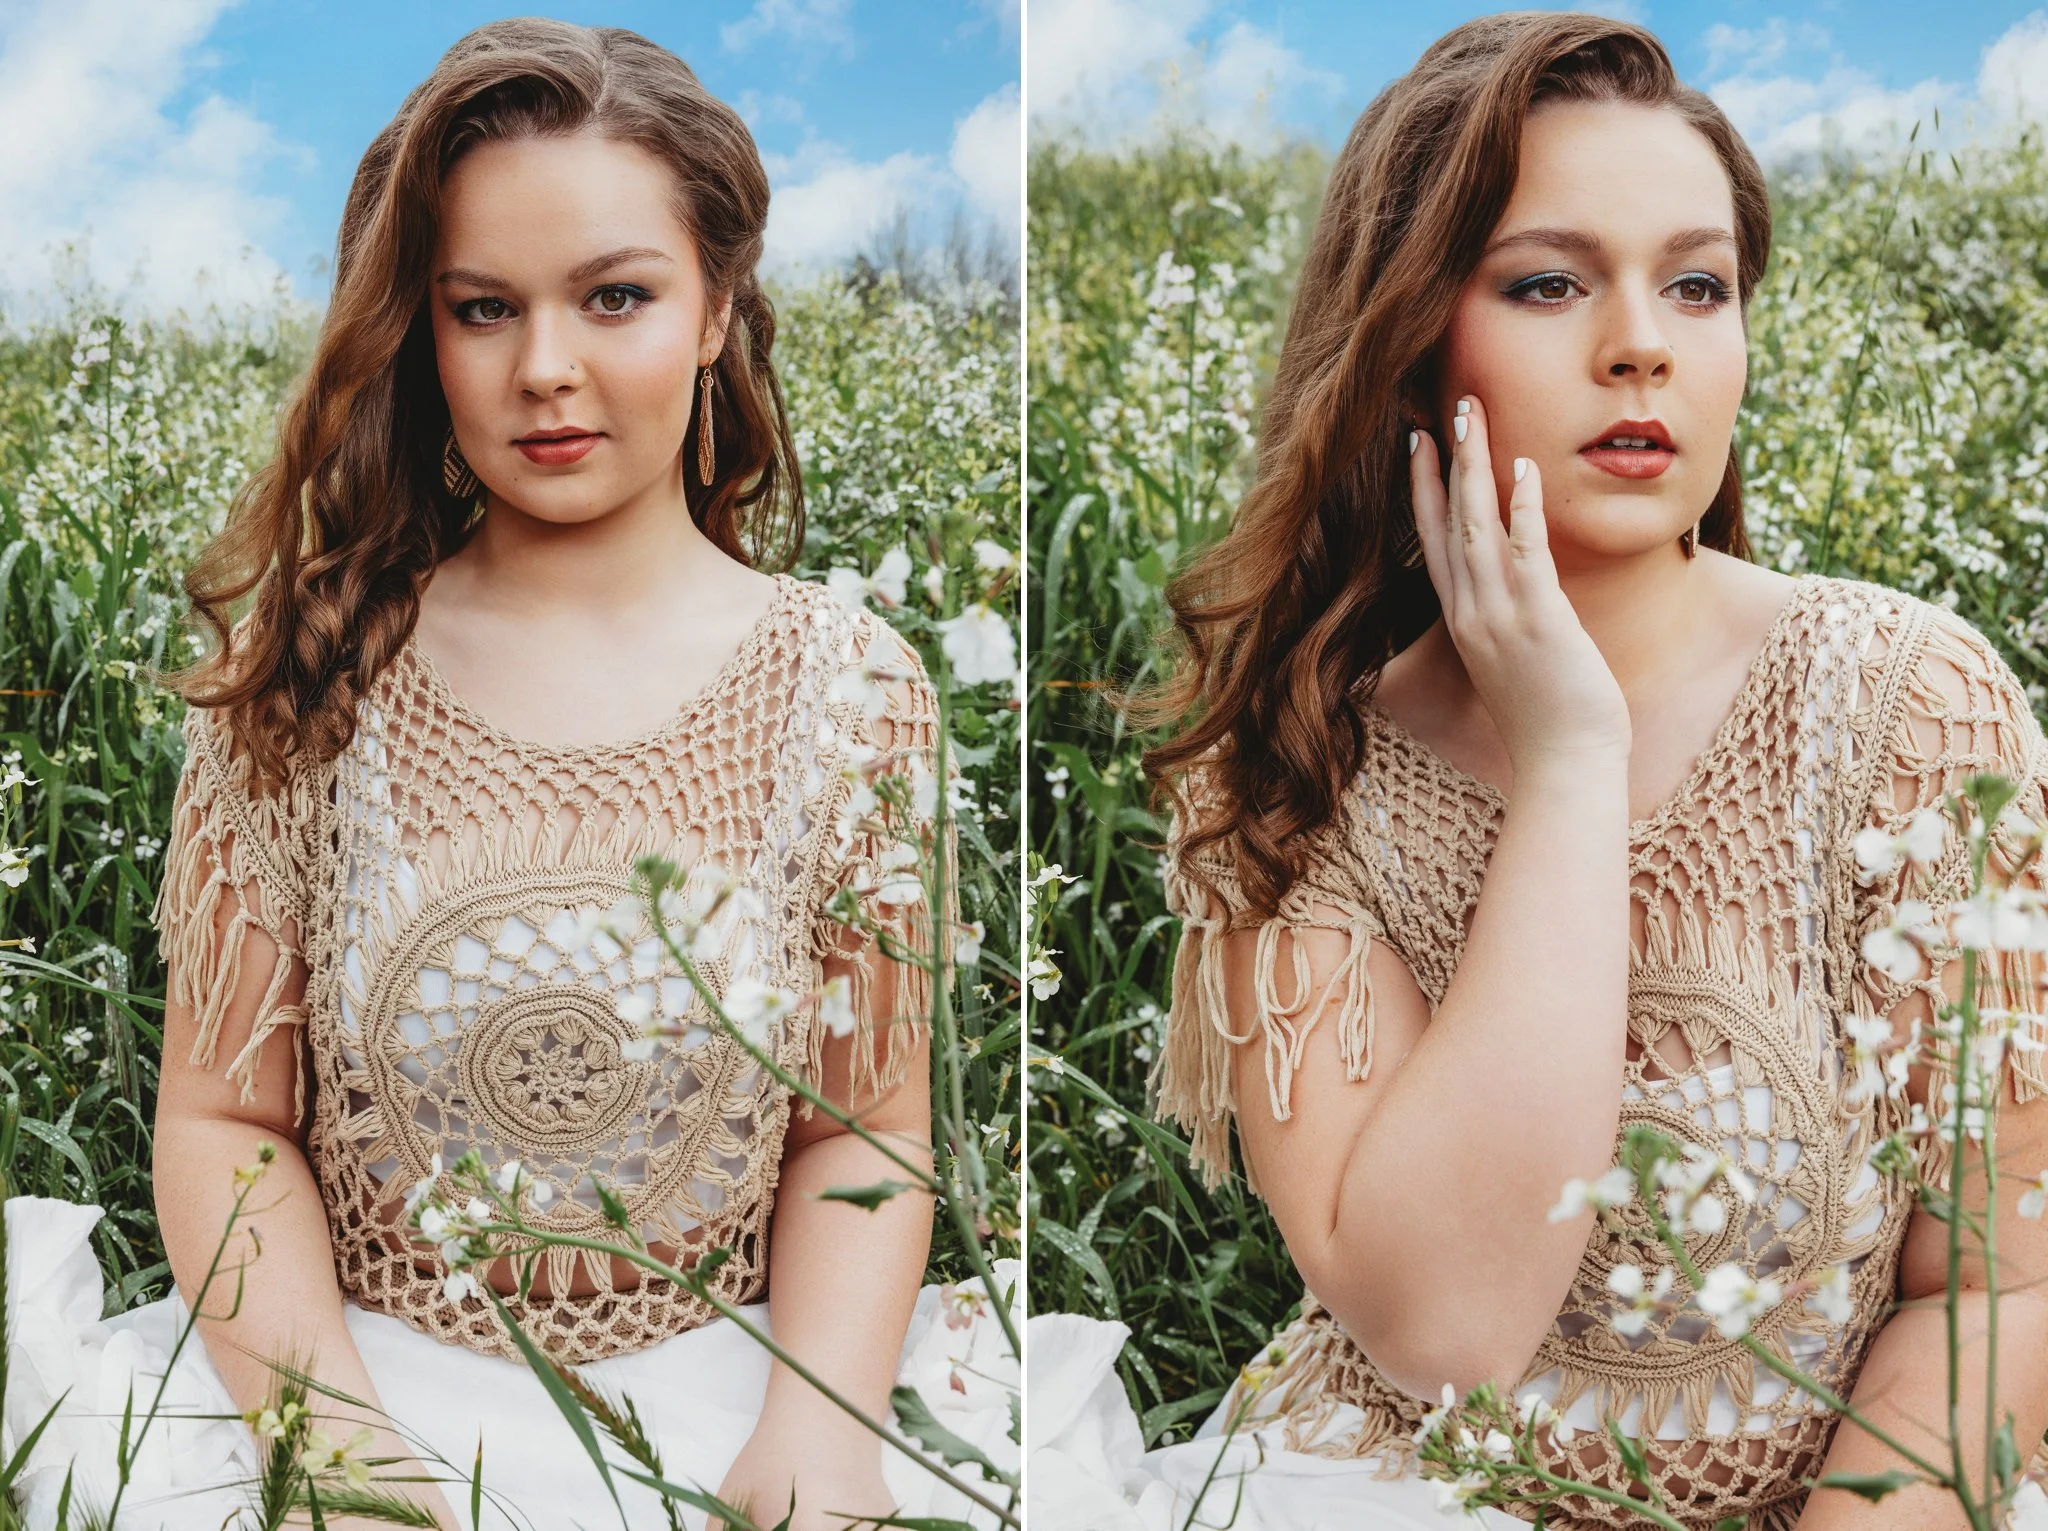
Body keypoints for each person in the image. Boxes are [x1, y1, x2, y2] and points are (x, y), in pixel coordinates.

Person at [1, 19, 1012, 1531]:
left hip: (743, 1382)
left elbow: (860, 1132)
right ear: (422, 328)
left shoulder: (855, 689)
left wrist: (815, 1442)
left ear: (719, 305)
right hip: (345, 1379)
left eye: (616, 295)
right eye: (483, 309)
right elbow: (224, 1123)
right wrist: (335, 1456)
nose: (547, 370)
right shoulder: (310, 678)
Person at [1046, 13, 2048, 1531]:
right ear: (1406, 341)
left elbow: (2000, 1280)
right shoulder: (1298, 766)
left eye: (1697, 284)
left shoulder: (1911, 705)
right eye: (1548, 281)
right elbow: (1443, 1328)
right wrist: (1570, 765)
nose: (1640, 339)